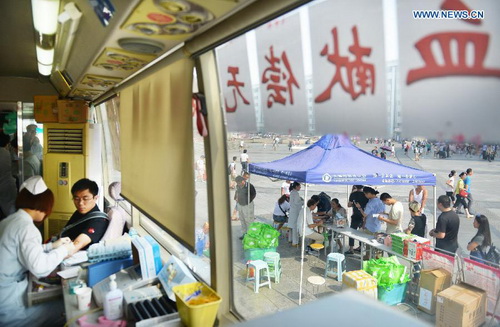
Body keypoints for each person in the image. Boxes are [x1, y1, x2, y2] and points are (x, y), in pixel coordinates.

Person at [0, 176, 75, 327]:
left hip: (6, 292)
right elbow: (39, 268)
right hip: (9, 305)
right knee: (67, 309)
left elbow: (19, 251)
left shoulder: (10, 221)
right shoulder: (28, 228)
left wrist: (51, 247)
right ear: (44, 204)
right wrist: (63, 250)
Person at [60, 178, 109, 252]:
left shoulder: (98, 221)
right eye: (76, 199)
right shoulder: (79, 212)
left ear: (95, 198)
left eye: (85, 199)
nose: (80, 203)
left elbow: (76, 245)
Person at [347, 185, 368, 253]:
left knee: (352, 232)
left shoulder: (353, 194)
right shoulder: (365, 194)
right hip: (363, 215)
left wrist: (354, 204)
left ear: (355, 186)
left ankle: (351, 248)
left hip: (355, 215)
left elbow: (349, 205)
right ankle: (360, 247)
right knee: (361, 232)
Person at [0, 132, 17, 219]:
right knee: (10, 209)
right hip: (7, 184)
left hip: (3, 184)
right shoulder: (6, 153)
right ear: (7, 143)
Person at [288, 182, 303, 247]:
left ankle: (290, 239)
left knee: (291, 226)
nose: (300, 188)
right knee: (295, 227)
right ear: (296, 186)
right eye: (299, 186)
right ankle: (295, 242)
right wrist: (303, 201)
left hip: (292, 211)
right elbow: (297, 202)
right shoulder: (295, 193)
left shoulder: (292, 192)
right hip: (295, 212)